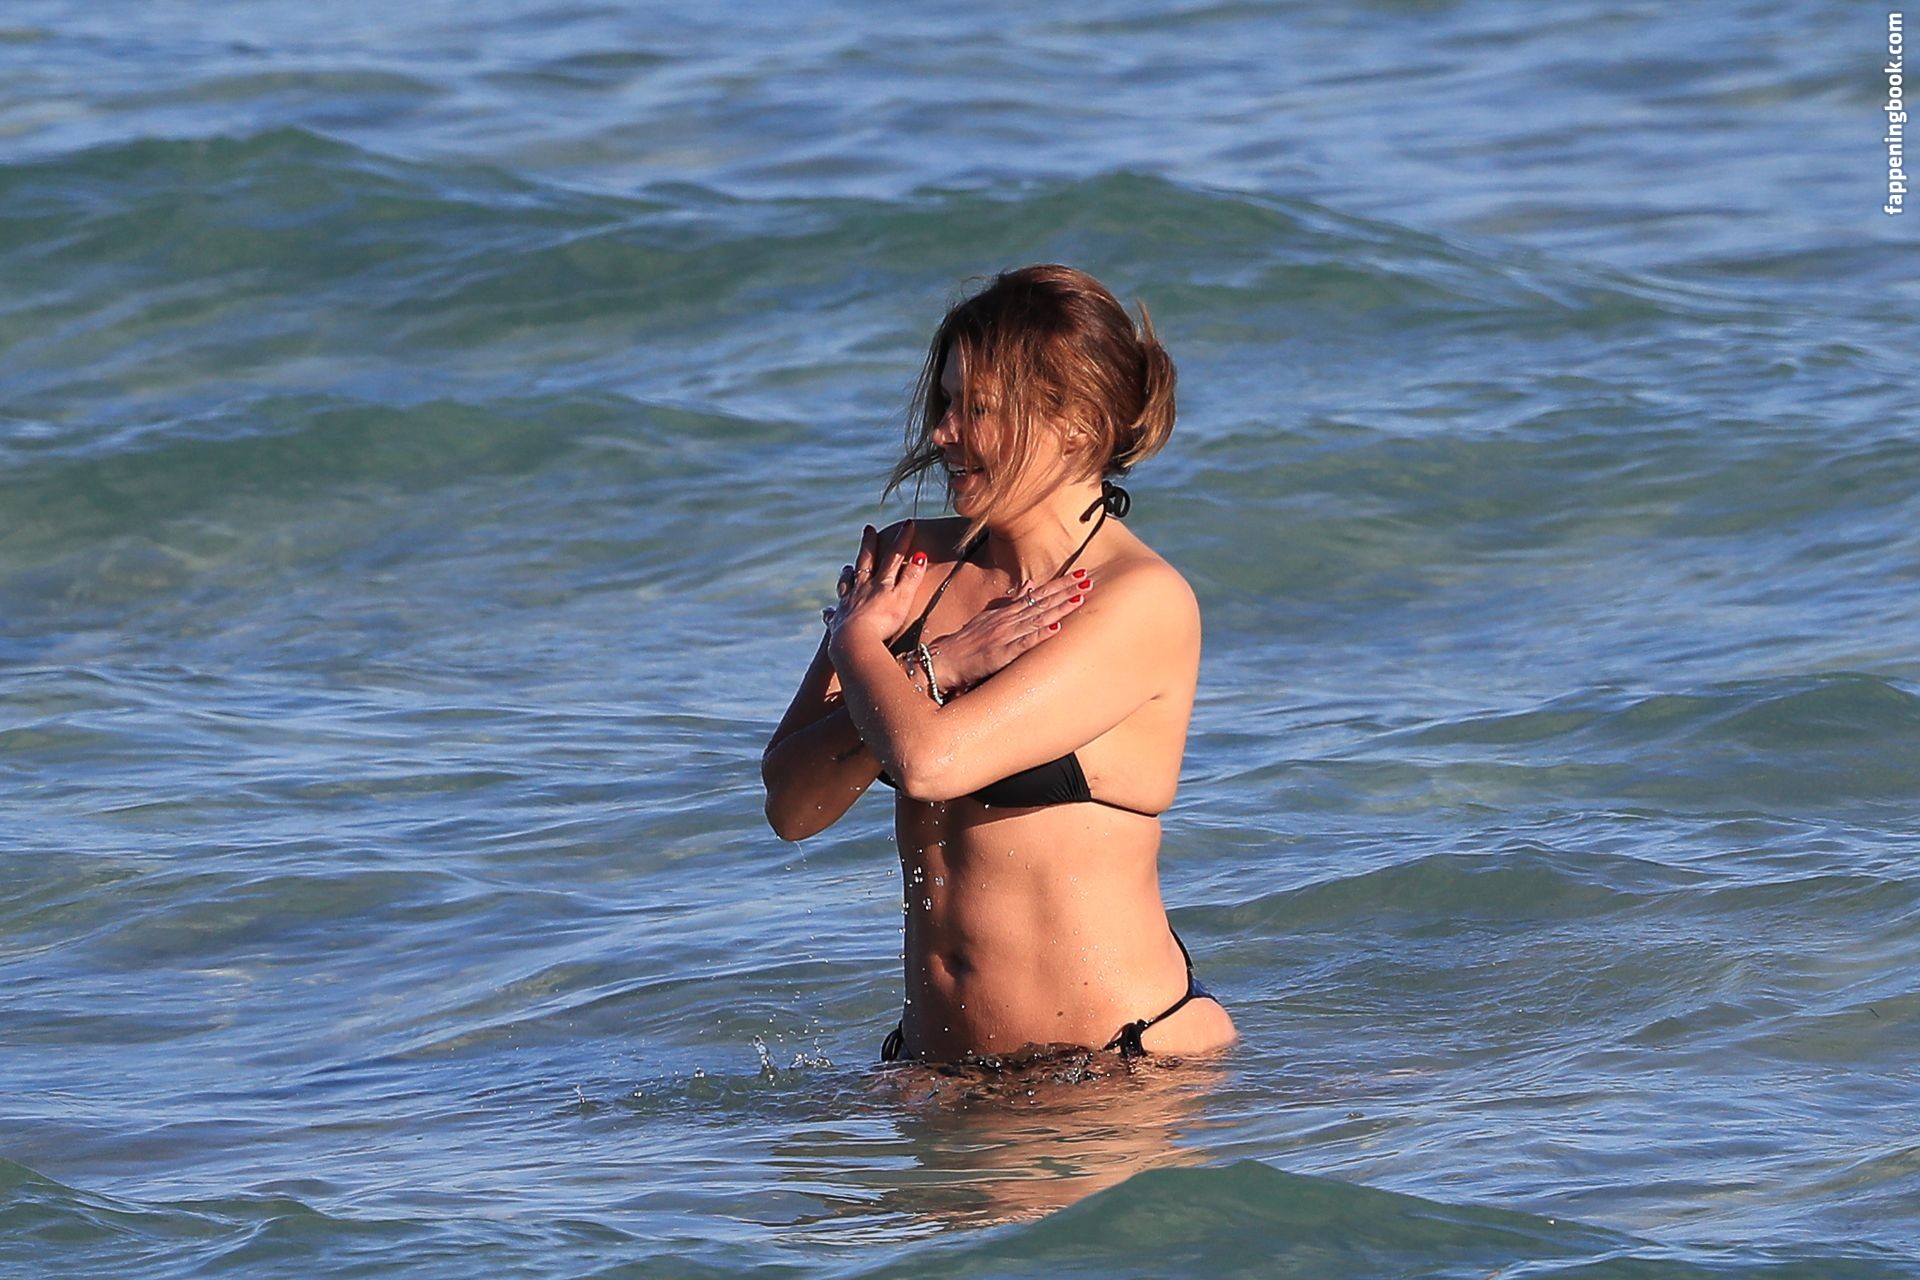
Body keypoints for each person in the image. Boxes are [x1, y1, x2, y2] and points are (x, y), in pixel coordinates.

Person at [761, 264, 1237, 1065]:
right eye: (945, 403)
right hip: (934, 1070)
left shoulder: (1141, 600)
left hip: (1116, 1071)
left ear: (1076, 426)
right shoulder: (913, 567)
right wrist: (933, 667)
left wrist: (858, 645)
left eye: (976, 408)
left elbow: (930, 761)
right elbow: (791, 807)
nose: (944, 433)